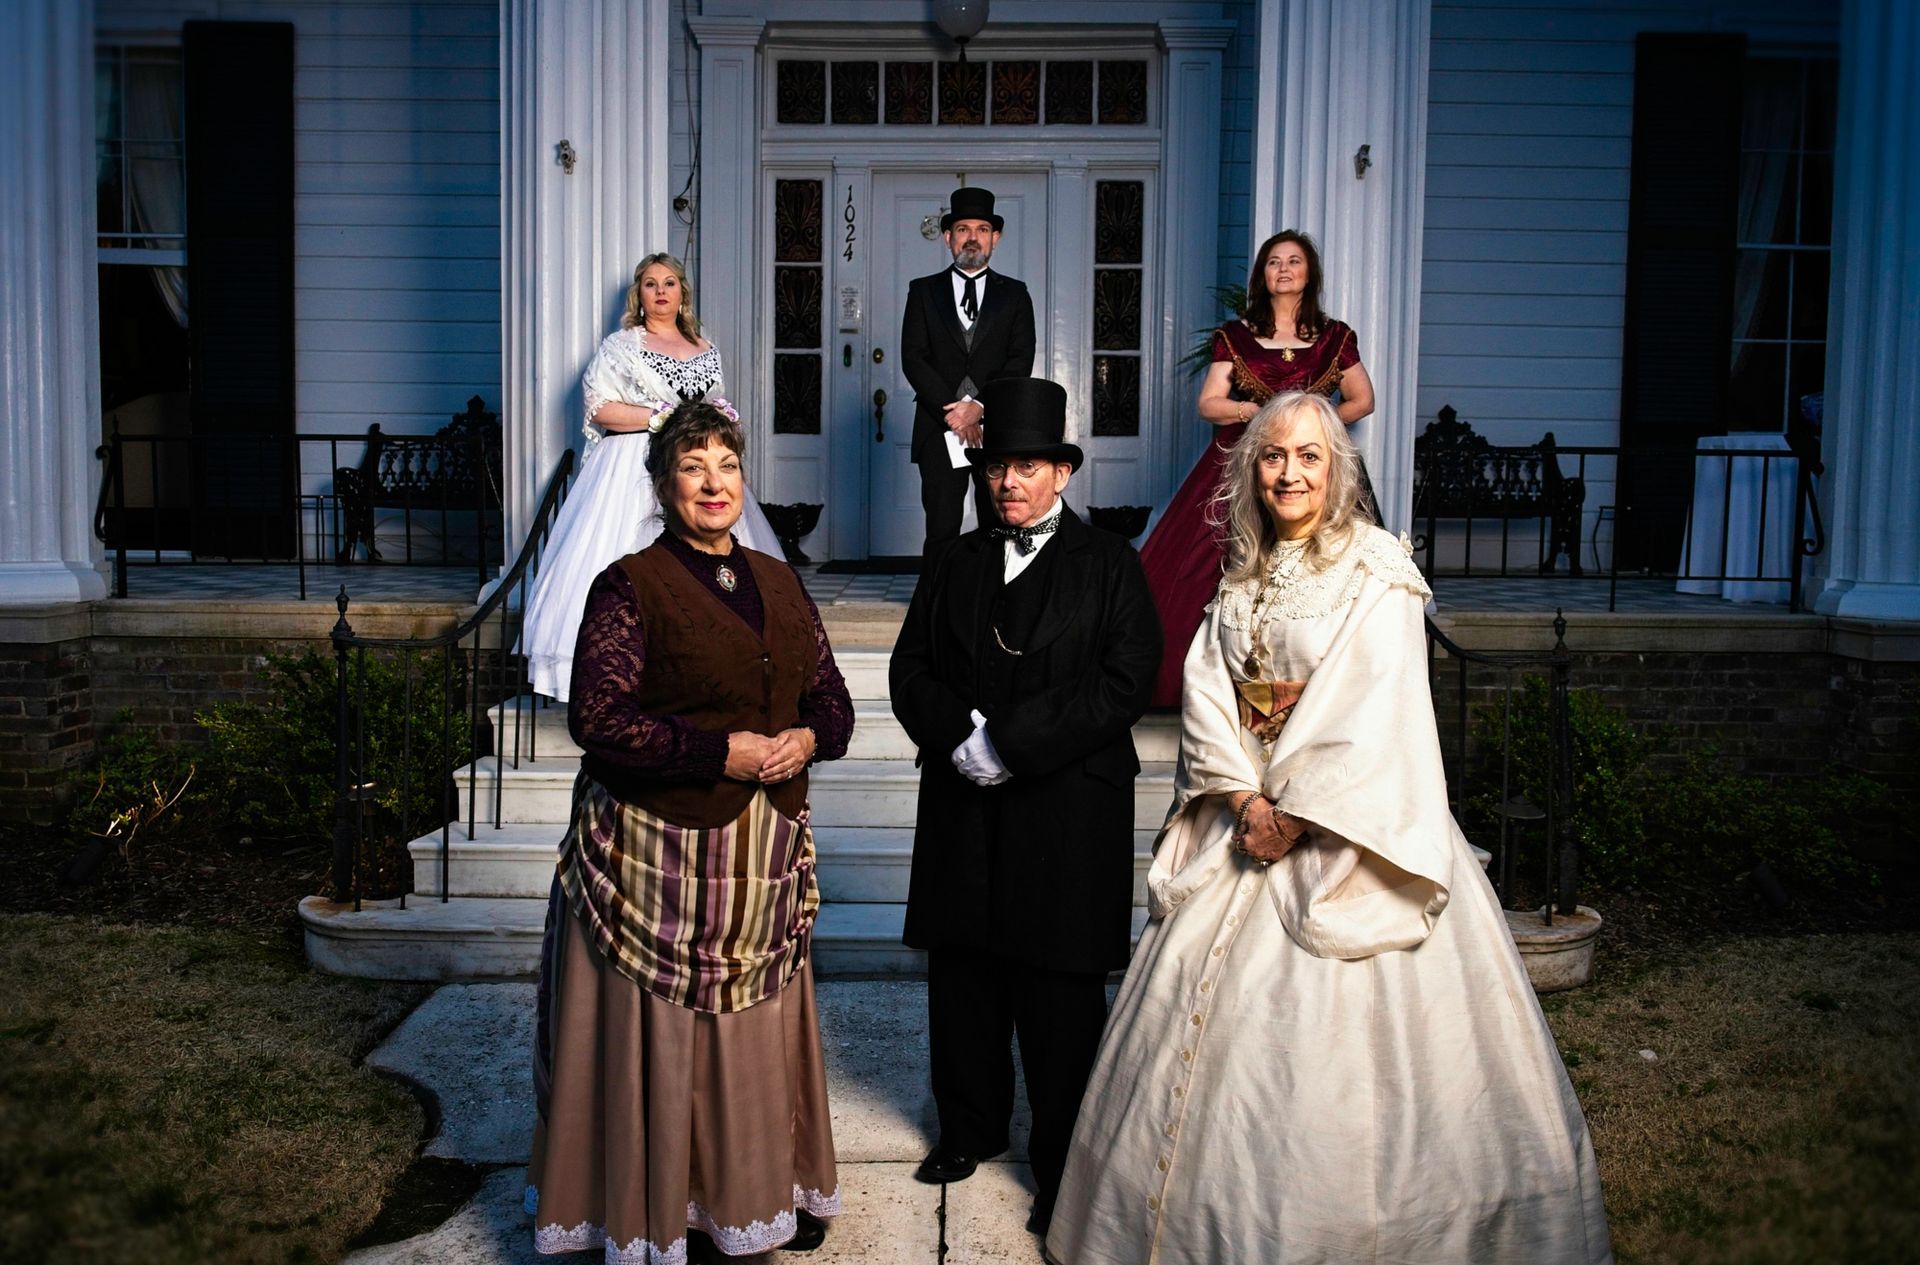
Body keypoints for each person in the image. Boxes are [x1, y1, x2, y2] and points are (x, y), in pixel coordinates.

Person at [1046, 393, 1612, 1265]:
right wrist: (1241, 798)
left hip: (1347, 829)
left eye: (1309, 456)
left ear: (1337, 467)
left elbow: (1373, 700)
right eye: (1272, 456)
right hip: (1250, 815)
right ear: (1252, 469)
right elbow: (1205, 688)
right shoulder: (1241, 572)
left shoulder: (1377, 568)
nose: (1290, 473)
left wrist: (1297, 811)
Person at [525, 399, 853, 1264]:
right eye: (694, 467)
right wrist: (723, 751)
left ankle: (759, 1194)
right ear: (664, 485)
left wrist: (807, 738)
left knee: (756, 1043)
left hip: (762, 855)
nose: (715, 483)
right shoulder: (629, 585)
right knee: (669, 1044)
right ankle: (664, 1204)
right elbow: (599, 720)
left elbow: (833, 700)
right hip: (656, 855)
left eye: (728, 466)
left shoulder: (779, 581)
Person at [889, 376, 1162, 1239]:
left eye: (1030, 466)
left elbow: (1124, 682)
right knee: (964, 975)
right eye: (999, 464)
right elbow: (909, 672)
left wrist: (1010, 740)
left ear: (1062, 474)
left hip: (1066, 809)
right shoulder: (956, 562)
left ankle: (1060, 1162)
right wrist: (959, 737)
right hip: (964, 802)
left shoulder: (1114, 564)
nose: (1011, 481)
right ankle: (967, 1128)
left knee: (1058, 996)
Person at [521, 252, 782, 701]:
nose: (661, 291)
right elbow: (598, 408)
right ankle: (615, 682)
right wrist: (660, 414)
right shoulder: (621, 346)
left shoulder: (704, 346)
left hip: (696, 466)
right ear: (639, 296)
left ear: (683, 294)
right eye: (650, 284)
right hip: (632, 468)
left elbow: (716, 408)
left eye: (669, 283)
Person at [1138, 229, 1375, 707]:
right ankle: (1203, 678)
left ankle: (1316, 680)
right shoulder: (1237, 335)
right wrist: (1255, 416)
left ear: (1309, 274)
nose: (1283, 269)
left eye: (1293, 261)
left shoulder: (1335, 336)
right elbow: (1210, 404)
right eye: (1273, 262)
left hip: (1312, 469)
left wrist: (1316, 430)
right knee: (1207, 560)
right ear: (1262, 275)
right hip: (1239, 460)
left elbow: (1362, 400)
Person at [900, 186, 1038, 554]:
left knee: (998, 522)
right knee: (941, 526)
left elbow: (1020, 359)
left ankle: (993, 605)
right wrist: (956, 412)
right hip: (937, 425)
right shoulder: (923, 292)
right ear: (948, 237)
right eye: (963, 229)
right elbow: (913, 357)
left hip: (996, 429)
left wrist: (979, 406)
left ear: (995, 238)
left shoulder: (1015, 294)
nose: (972, 238)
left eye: (981, 229)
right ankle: (937, 609)